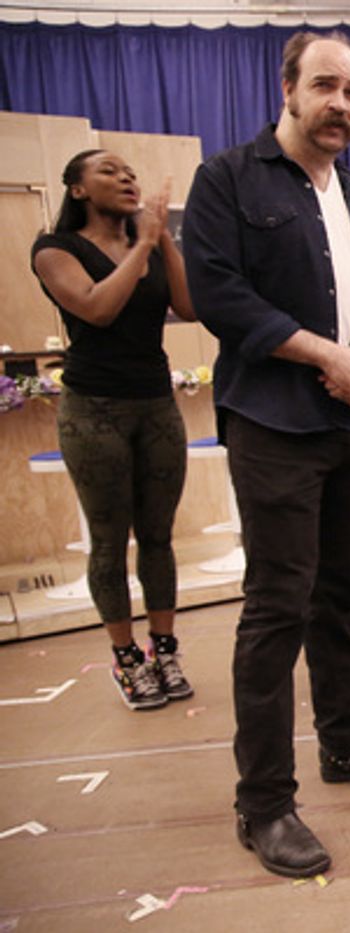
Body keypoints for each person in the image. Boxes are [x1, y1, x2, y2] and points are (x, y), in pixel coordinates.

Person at [182, 30, 350, 879]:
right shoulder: (228, 179)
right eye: (326, 86)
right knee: (276, 607)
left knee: (340, 598)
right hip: (275, 423)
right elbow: (220, 294)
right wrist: (330, 355)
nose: (342, 106)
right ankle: (264, 804)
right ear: (289, 88)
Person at [30, 149, 196, 711]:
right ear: (77, 189)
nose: (126, 177)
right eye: (108, 170)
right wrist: (145, 244)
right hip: (93, 408)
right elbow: (96, 308)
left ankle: (165, 651)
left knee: (158, 536)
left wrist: (164, 242)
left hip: (155, 404)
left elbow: (189, 306)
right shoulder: (56, 250)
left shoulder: (146, 244)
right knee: (109, 540)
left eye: (130, 171)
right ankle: (127, 660)